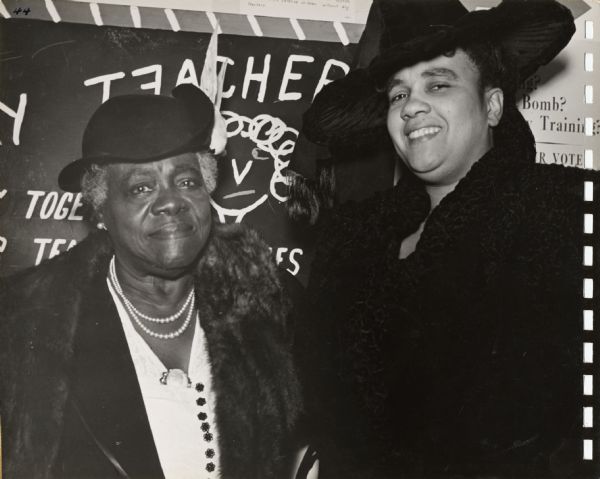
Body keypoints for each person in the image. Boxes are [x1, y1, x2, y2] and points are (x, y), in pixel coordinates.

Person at [289, 0, 598, 477]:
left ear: (492, 105)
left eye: (438, 84)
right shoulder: (350, 243)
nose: (412, 106)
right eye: (397, 95)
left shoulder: (563, 215)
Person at [0, 84, 302, 479]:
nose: (171, 201)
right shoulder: (24, 323)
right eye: (142, 188)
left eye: (188, 181)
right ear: (101, 212)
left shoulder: (274, 303)